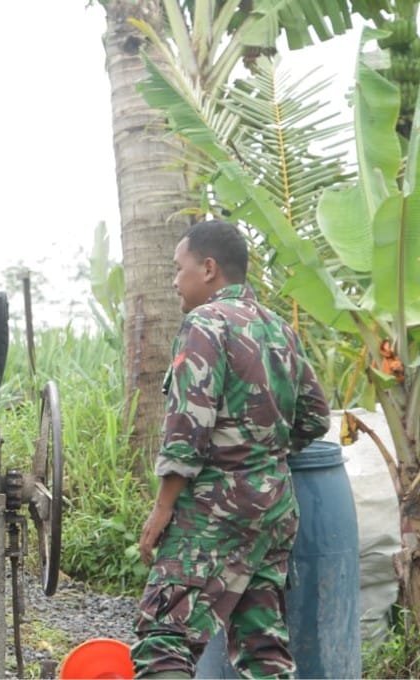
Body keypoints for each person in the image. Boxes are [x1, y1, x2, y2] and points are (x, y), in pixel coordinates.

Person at [130, 220, 331, 678]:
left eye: (178, 268)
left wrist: (162, 508)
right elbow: (316, 416)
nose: (174, 281)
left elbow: (188, 427)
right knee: (263, 647)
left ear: (208, 268)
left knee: (163, 637)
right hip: (275, 510)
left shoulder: (205, 323)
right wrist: (262, 452)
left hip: (215, 510)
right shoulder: (279, 328)